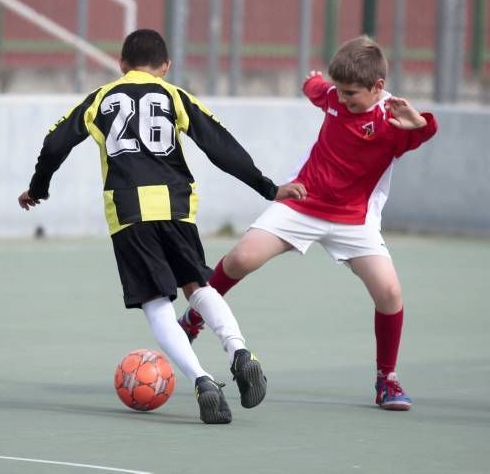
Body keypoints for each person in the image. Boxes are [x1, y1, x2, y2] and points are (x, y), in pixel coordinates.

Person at [18, 29, 304, 424]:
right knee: (198, 286)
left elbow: (54, 143)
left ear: (121, 63)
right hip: (176, 205)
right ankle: (238, 350)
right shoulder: (174, 96)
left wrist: (38, 188)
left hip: (129, 211)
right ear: (166, 67)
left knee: (156, 304)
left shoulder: (101, 98)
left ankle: (202, 380)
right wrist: (268, 187)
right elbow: (220, 145)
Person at [178, 35, 437, 411]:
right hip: (303, 203)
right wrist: (312, 81)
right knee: (238, 260)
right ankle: (194, 317)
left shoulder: (393, 121)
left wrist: (420, 124)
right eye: (340, 91)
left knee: (390, 294)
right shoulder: (333, 96)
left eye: (352, 94)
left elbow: (424, 133)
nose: (343, 99)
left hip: (353, 220)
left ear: (378, 87)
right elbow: (317, 88)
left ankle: (387, 379)